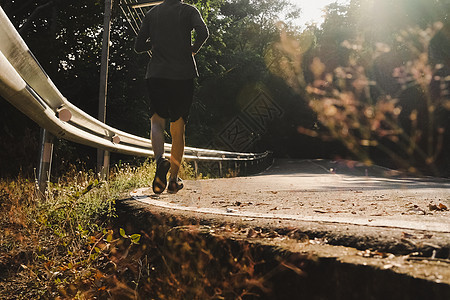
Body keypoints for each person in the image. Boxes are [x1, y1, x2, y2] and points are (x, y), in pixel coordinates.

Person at [135, 0, 209, 194]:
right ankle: (174, 180)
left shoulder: (152, 13)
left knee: (156, 122)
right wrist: (192, 48)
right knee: (178, 128)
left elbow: (138, 46)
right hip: (183, 75)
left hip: (157, 74)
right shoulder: (189, 11)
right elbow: (203, 33)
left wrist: (158, 41)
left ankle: (160, 160)